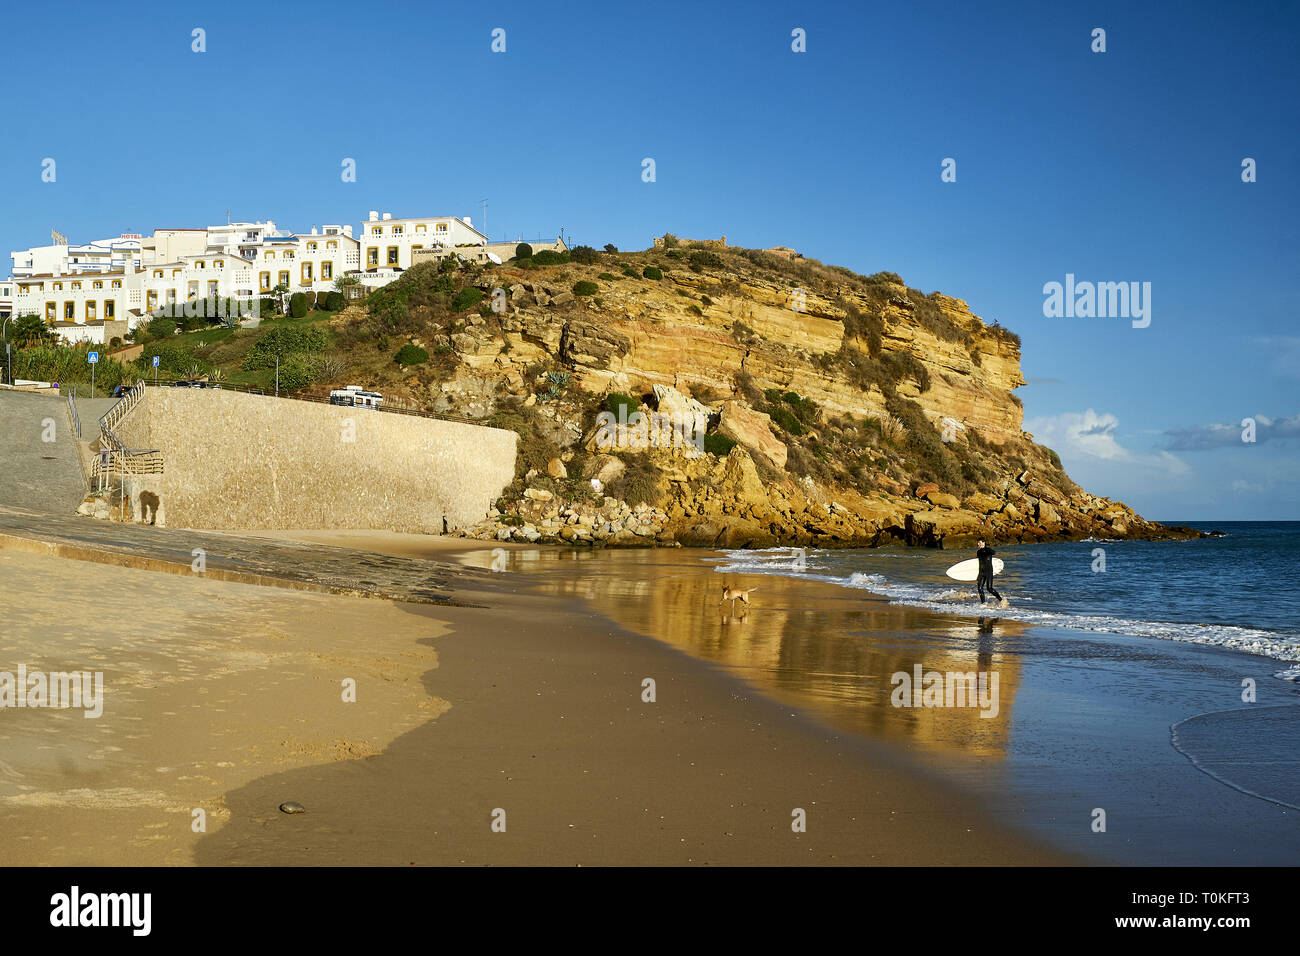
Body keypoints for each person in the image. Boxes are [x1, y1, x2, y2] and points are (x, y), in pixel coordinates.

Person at [975, 539, 1002, 605]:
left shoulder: (988, 550)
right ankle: (983, 603)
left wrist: (985, 549)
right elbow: (979, 563)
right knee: (980, 588)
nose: (978, 544)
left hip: (988, 571)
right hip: (981, 572)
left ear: (983, 542)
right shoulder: (978, 552)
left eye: (979, 542)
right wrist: (978, 574)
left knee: (989, 588)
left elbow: (994, 552)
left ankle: (1001, 600)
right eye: (978, 543)